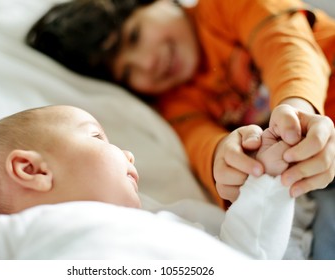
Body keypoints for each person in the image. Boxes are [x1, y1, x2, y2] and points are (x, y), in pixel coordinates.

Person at [25, 0, 335, 259]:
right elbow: (201, 145)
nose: (147, 62)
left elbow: (286, 46)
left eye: (134, 36)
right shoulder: (175, 104)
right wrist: (225, 161)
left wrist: (297, 110)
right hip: (317, 178)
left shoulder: (224, 6)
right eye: (128, 71)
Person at [0, 105, 294, 260]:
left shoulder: (169, 221)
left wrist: (268, 178)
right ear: (33, 171)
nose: (127, 153)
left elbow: (248, 252)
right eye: (98, 136)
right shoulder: (10, 235)